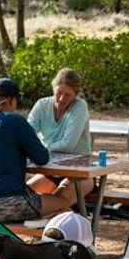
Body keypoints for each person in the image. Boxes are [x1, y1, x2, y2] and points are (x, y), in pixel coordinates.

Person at [0, 78, 83, 223]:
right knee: (63, 202)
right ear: (12, 101)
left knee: (35, 196)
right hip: (7, 203)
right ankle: (43, 241)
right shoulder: (15, 120)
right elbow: (42, 158)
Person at [26, 68, 94, 199]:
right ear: (53, 88)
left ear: (75, 95)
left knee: (58, 201)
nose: (62, 99)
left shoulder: (80, 106)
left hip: (80, 172)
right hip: (50, 171)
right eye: (59, 93)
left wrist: (39, 151)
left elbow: (68, 145)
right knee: (25, 197)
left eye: (67, 95)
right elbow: (27, 135)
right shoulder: (42, 105)